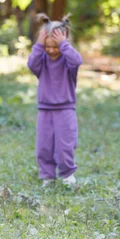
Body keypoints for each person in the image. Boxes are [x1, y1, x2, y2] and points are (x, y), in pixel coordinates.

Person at [27, 13, 82, 187]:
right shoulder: (41, 60)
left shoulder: (68, 61)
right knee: (44, 146)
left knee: (65, 146)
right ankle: (48, 177)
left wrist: (63, 45)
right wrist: (39, 45)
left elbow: (77, 60)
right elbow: (31, 64)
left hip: (66, 109)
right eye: (48, 47)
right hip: (45, 110)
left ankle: (67, 175)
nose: (51, 50)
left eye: (55, 47)